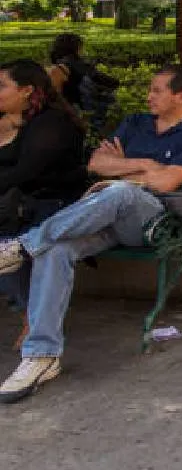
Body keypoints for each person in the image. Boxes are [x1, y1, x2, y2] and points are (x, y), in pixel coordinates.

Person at [0, 64, 182, 404]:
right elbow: (96, 164)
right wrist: (145, 164)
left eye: (157, 90)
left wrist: (126, 170)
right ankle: (42, 356)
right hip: (103, 218)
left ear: (180, 96)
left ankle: (22, 247)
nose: (148, 95)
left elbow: (166, 183)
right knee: (56, 249)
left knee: (119, 192)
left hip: (151, 221)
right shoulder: (135, 123)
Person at [0, 60, 88, 349]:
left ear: (27, 91)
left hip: (55, 203)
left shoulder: (51, 122)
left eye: (2, 86)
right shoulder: (15, 118)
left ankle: (33, 315)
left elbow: (27, 172)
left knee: (11, 239)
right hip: (18, 202)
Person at [47, 33, 120, 128]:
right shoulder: (75, 63)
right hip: (79, 110)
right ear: (76, 48)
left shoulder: (56, 64)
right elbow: (102, 79)